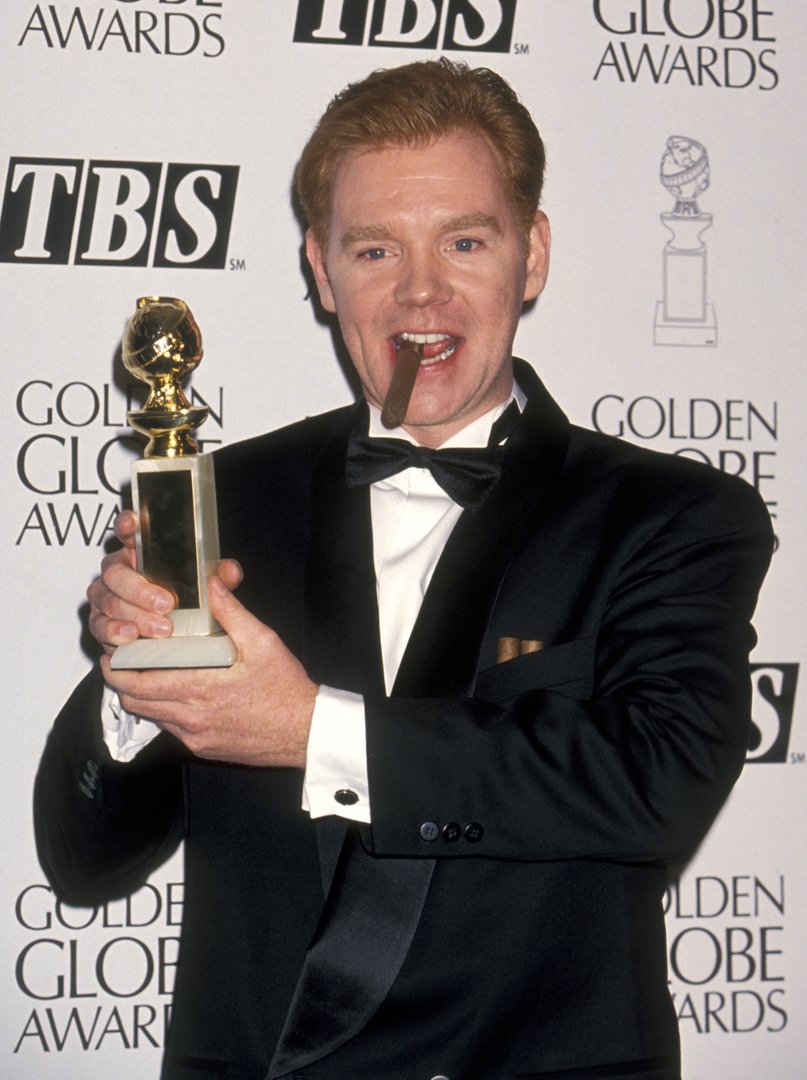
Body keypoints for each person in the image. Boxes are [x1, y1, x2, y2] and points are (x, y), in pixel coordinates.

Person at [35, 59, 772, 1080]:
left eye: (465, 241)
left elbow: (655, 783)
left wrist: (306, 730)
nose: (421, 290)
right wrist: (131, 690)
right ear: (323, 270)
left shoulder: (673, 516)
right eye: (375, 247)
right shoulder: (220, 496)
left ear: (532, 255)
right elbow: (86, 858)